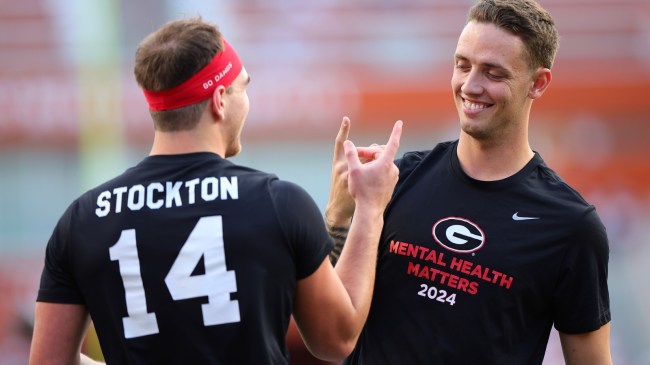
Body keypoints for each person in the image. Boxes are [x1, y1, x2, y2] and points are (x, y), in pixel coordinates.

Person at [28, 17, 403, 365]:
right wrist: (369, 206)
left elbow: (47, 361)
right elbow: (336, 339)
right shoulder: (277, 202)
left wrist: (334, 218)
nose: (247, 101)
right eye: (243, 88)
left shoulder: (83, 218)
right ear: (219, 100)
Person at [325, 0, 613, 364]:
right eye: (463, 65)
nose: (470, 86)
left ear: (538, 83)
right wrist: (337, 215)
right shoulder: (397, 180)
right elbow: (328, 326)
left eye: (494, 73)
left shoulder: (571, 226)